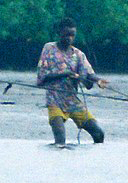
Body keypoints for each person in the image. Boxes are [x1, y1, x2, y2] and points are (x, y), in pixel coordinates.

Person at [35, 18, 108, 146]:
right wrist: (66, 74)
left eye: (72, 35)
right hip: (54, 100)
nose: (69, 38)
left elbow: (89, 74)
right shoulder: (49, 48)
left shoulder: (79, 55)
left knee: (98, 133)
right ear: (59, 33)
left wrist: (98, 80)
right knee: (60, 138)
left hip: (73, 101)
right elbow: (42, 77)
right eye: (66, 35)